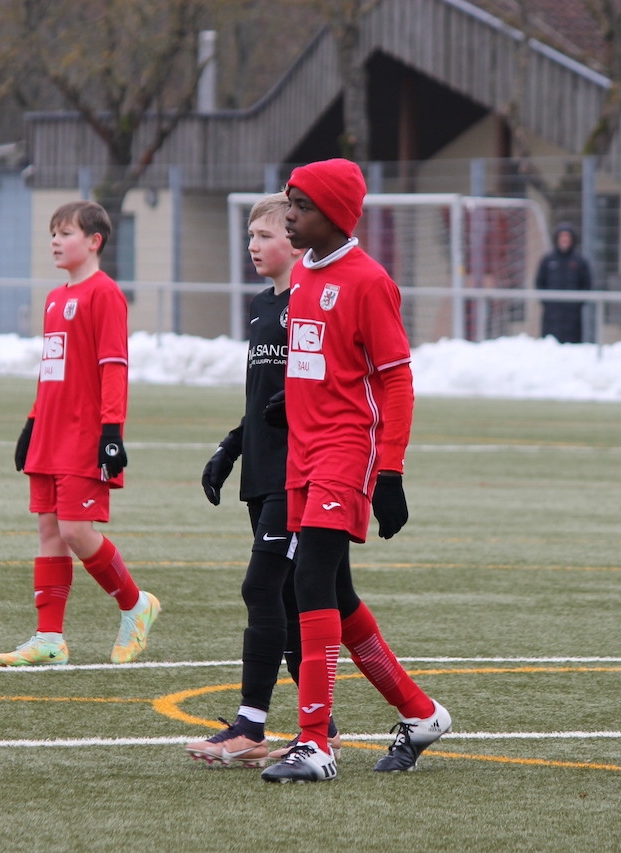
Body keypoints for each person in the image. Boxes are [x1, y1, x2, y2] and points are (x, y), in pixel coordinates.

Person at [259, 158, 451, 784]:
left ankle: (315, 743)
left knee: (308, 581)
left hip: (347, 449)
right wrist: (289, 401)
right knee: (333, 596)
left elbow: (396, 381)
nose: (290, 216)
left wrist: (391, 473)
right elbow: (323, 360)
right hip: (304, 452)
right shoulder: (304, 276)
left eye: (302, 206)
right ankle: (421, 713)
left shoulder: (369, 281)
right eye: (290, 203)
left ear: (336, 216)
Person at [184, 193, 345, 767]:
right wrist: (231, 448)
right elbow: (263, 399)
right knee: (293, 597)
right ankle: (322, 724)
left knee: (262, 588)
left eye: (266, 235)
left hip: (300, 473)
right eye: (250, 236)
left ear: (296, 242)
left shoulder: (310, 301)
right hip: (262, 470)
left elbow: (327, 386)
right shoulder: (261, 306)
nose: (253, 245)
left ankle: (251, 727)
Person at [0, 200, 159, 667]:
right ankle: (49, 638)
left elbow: (114, 367)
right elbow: (51, 370)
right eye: (53, 233)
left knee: (75, 530)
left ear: (94, 241)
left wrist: (111, 431)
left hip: (84, 435)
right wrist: (32, 422)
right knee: (49, 530)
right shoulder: (53, 299)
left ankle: (136, 604)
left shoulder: (104, 294)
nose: (55, 241)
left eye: (65, 233)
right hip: (50, 433)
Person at [534, 222, 592, 344]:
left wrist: (577, 304)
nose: (564, 240)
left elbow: (587, 284)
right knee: (550, 345)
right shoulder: (548, 260)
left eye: (567, 237)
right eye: (562, 236)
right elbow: (539, 282)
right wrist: (547, 302)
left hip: (573, 317)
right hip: (551, 316)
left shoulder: (580, 261)